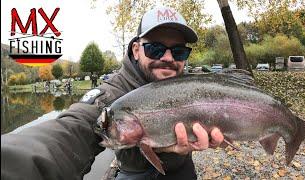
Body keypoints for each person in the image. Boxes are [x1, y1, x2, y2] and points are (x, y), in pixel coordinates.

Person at [1, 6, 224, 180]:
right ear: (136, 50)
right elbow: (73, 128)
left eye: (178, 51)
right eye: (155, 48)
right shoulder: (114, 92)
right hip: (135, 173)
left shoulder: (195, 88)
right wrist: (14, 164)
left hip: (181, 170)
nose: (168, 58)